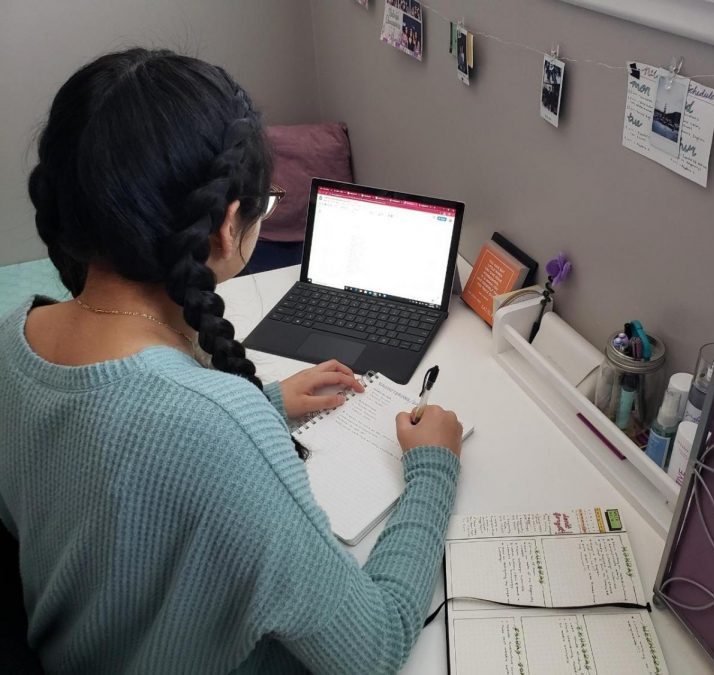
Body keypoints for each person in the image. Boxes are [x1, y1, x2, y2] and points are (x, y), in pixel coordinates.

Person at [0, 48, 463, 673]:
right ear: (224, 226)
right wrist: (434, 469)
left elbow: (109, 479)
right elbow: (373, 646)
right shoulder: (216, 427)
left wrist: (268, 405)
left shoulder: (13, 338)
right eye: (262, 206)